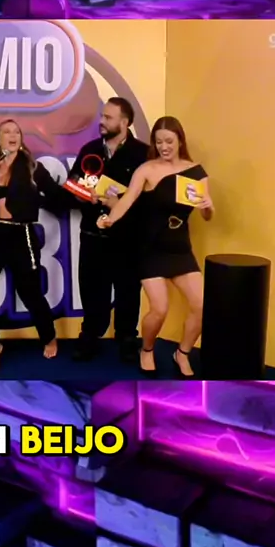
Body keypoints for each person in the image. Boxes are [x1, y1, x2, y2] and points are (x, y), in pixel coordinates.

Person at [97, 116, 214, 377]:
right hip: (149, 249)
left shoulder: (196, 172)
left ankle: (182, 353)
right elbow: (127, 200)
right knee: (159, 309)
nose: (164, 147)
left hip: (180, 249)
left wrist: (208, 207)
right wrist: (110, 219)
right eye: (159, 142)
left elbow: (207, 214)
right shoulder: (146, 169)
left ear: (180, 141)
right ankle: (147, 349)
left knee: (202, 306)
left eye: (169, 141)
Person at [0, 118, 64, 374]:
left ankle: (48, 336)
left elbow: (56, 196)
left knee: (30, 292)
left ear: (21, 139)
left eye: (16, 131)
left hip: (21, 236)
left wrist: (86, 196)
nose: (12, 135)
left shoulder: (32, 168)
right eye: (6, 131)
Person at [67, 97, 149, 362]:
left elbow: (150, 199)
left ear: (124, 122)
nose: (101, 121)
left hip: (128, 238)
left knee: (128, 291)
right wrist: (82, 195)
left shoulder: (144, 154)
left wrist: (120, 204)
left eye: (108, 117)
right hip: (93, 236)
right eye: (102, 116)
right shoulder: (90, 150)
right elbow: (73, 184)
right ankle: (90, 336)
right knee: (92, 289)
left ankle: (127, 339)